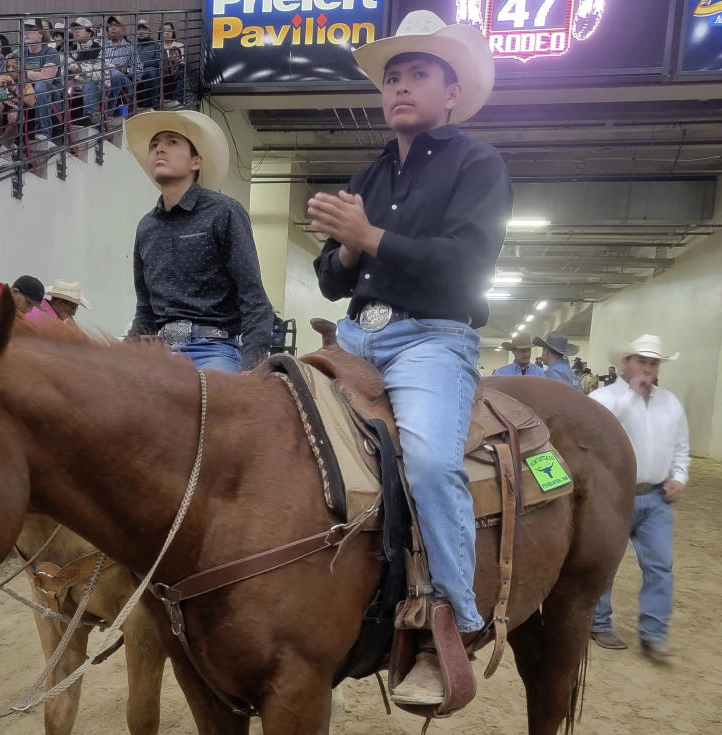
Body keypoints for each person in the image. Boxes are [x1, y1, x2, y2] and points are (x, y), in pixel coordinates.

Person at [310, 11, 511, 705]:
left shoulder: (476, 163)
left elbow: (467, 266)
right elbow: (331, 278)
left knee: (428, 460)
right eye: (392, 76)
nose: (399, 86)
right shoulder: (369, 171)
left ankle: (451, 617)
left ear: (451, 92)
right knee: (272, 418)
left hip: (432, 335)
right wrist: (343, 246)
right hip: (356, 333)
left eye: (417, 74)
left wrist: (371, 233)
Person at [124, 110, 273, 372]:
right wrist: (118, 358)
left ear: (196, 162)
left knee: (218, 409)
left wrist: (251, 369)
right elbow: (146, 309)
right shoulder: (146, 227)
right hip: (159, 352)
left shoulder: (224, 212)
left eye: (172, 142)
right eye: (154, 145)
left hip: (214, 349)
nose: (160, 149)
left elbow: (253, 298)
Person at [589, 334, 689, 665]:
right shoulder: (603, 399)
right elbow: (596, 436)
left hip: (656, 498)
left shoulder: (670, 402)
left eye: (653, 362)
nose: (647, 368)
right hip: (613, 497)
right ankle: (599, 623)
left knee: (660, 566)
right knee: (604, 564)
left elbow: (681, 447)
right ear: (625, 363)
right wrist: (631, 396)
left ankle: (654, 635)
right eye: (641, 361)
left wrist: (678, 476)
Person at [21, 19, 61, 141]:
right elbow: (10, 73)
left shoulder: (50, 52)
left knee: (41, 85)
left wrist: (23, 73)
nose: (26, 33)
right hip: (28, 92)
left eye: (31, 31)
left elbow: (47, 78)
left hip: (52, 94)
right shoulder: (20, 52)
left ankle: (43, 132)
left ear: (41, 34)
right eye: (25, 30)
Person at [66, 17, 101, 125]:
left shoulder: (99, 49)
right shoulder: (70, 50)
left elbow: (100, 74)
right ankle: (60, 123)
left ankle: (90, 120)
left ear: (90, 33)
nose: (76, 31)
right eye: (74, 29)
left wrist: (82, 70)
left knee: (89, 83)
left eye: (80, 28)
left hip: (94, 85)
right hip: (74, 85)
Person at [103, 15, 138, 120]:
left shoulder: (130, 48)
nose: (112, 28)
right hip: (104, 80)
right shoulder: (102, 47)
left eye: (116, 26)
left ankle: (108, 114)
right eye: (110, 26)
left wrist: (125, 70)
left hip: (125, 83)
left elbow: (139, 71)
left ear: (123, 30)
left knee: (116, 74)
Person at [135, 18, 161, 111]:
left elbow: (160, 62)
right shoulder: (133, 46)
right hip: (134, 72)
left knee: (150, 72)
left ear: (149, 31)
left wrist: (141, 65)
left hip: (150, 73)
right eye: (139, 29)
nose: (141, 31)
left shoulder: (156, 45)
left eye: (144, 29)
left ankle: (150, 104)